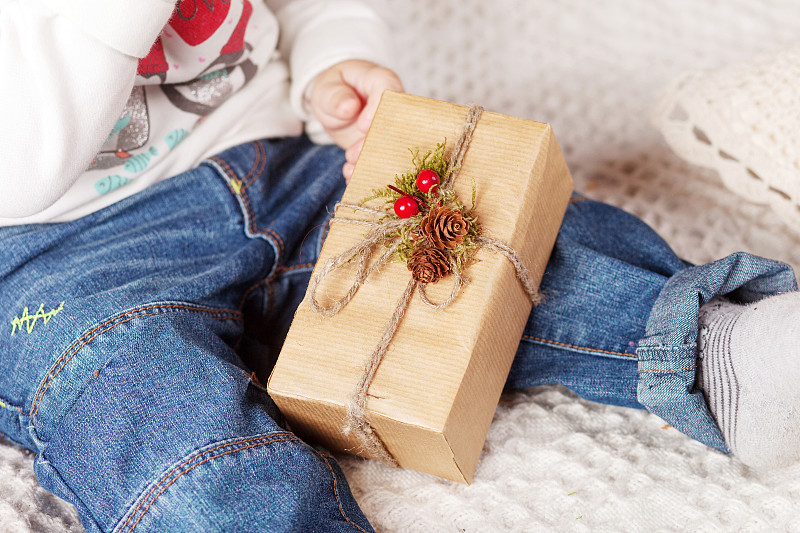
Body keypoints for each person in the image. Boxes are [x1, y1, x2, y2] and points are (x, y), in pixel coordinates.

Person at [0, 1, 798, 531]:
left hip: (279, 166)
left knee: (468, 230)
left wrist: (335, 58)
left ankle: (720, 350)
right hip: (63, 255)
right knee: (138, 401)